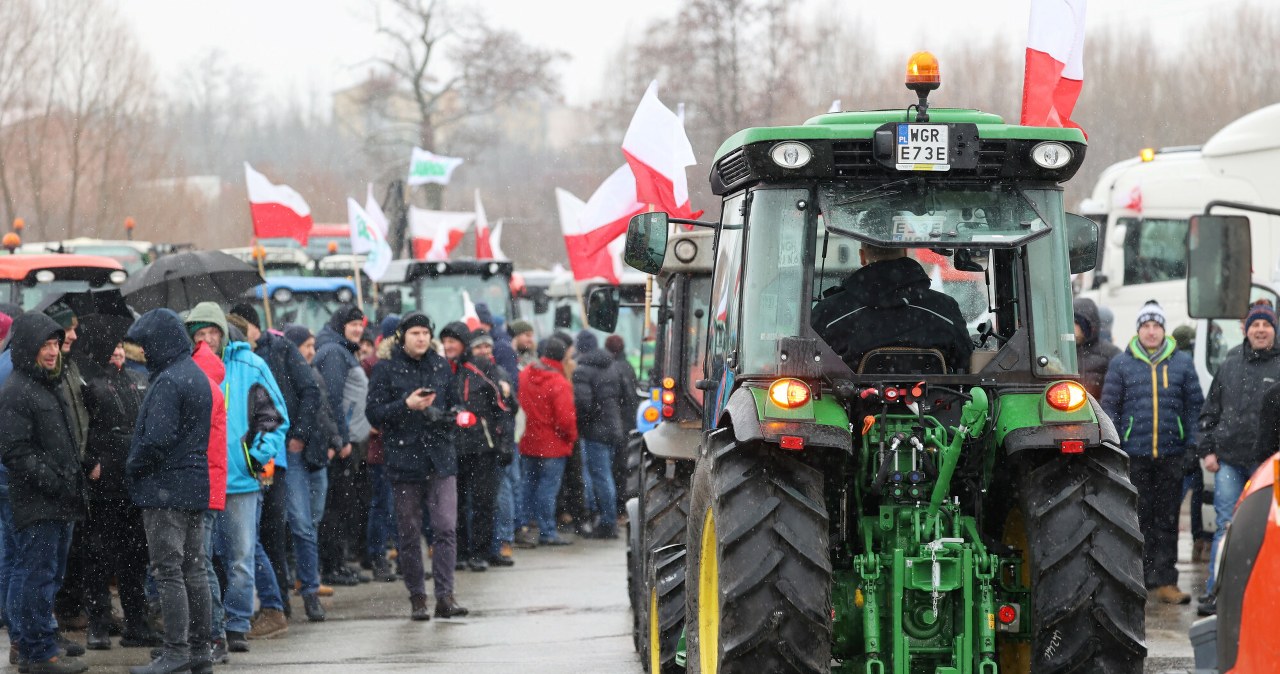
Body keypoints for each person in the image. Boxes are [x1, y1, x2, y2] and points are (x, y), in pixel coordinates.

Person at [185, 303, 289, 653]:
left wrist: (253, 458)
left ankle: (237, 624)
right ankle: (209, 626)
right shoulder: (188, 370)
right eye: (199, 333)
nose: (207, 339)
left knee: (241, 557)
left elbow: (274, 418)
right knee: (203, 558)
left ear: (224, 332)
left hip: (241, 481)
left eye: (212, 331)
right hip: (201, 481)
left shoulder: (251, 365)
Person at [124, 309, 216, 674]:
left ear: (161, 341)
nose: (144, 353)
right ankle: (200, 652)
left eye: (147, 345)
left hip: (166, 489)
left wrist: (132, 466)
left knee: (168, 571)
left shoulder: (168, 382)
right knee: (194, 569)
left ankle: (176, 651)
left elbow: (156, 440)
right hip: (193, 486)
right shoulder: (195, 374)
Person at [0, 313, 90, 674]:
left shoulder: (44, 384)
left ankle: (41, 641)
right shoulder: (18, 390)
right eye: (45, 344)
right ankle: (34, 650)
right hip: (36, 499)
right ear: (27, 347)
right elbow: (16, 450)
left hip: (57, 498)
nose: (53, 351)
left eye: (55, 343)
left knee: (46, 572)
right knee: (33, 572)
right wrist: (54, 480)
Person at [366, 312, 469, 620]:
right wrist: (405, 405)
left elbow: (455, 403)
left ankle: (445, 596)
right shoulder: (385, 369)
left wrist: (449, 414)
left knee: (445, 528)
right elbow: (373, 413)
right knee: (409, 533)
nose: (421, 338)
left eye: (425, 332)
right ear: (402, 337)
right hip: (404, 459)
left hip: (440, 457)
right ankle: (417, 598)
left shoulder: (440, 365)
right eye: (415, 333)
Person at [1101, 300, 1203, 605]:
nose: (1151, 331)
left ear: (1163, 330)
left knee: (1167, 520)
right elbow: (1110, 409)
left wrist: (1192, 446)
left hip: (1172, 455)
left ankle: (1165, 581)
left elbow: (1195, 408)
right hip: (1135, 456)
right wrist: (1116, 447)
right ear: (1138, 330)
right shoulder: (1121, 364)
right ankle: (1138, 581)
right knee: (1137, 520)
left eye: (1156, 326)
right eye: (1146, 326)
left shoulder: (1182, 364)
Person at [228, 303, 323, 627]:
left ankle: (295, 596)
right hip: (246, 463)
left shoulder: (277, 351)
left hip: (275, 458)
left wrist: (298, 434)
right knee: (257, 537)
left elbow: (308, 392)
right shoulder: (227, 363)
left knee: (286, 528)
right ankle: (272, 603)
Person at [1195, 300, 1280, 616]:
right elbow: (1208, 413)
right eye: (1256, 324)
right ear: (1246, 329)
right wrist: (1208, 451)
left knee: (1267, 531)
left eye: (1266, 325)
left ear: (1274, 330)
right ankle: (1217, 593)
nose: (1260, 330)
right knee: (1225, 528)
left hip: (1268, 467)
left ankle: (1264, 596)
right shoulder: (1229, 365)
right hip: (1228, 461)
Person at [75, 336, 159, 651]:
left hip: (133, 484)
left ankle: (136, 622)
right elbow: (77, 429)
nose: (118, 352)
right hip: (102, 487)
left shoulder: (139, 380)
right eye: (111, 347)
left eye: (121, 346)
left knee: (134, 558)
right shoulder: (87, 384)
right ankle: (98, 624)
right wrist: (89, 463)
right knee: (98, 557)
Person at [811, 244, 973, 373]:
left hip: (853, 408)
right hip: (936, 406)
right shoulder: (944, 307)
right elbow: (964, 358)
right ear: (904, 251)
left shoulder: (829, 311)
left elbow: (810, 360)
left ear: (862, 257)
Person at [282, 324, 343, 618]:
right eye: (306, 345)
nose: (311, 351)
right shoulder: (285, 377)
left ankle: (305, 577)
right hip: (295, 456)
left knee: (312, 522)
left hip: (317, 457)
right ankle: (308, 589)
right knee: (301, 524)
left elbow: (326, 411)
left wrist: (334, 440)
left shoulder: (314, 374)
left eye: (312, 345)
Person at [313, 305, 370, 586]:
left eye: (360, 324)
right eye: (352, 324)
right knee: (335, 505)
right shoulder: (334, 352)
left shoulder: (343, 349)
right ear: (339, 324)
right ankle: (331, 566)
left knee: (344, 504)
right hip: (341, 444)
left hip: (350, 440)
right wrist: (342, 438)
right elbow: (332, 398)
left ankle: (338, 562)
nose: (358, 329)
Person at [453, 329, 517, 571]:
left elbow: (510, 411)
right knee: (461, 503)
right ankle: (462, 553)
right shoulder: (460, 373)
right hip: (462, 447)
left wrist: (505, 445)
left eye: (487, 348)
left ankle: (482, 552)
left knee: (485, 502)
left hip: (487, 447)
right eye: (479, 347)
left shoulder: (498, 373)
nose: (484, 352)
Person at [517, 337, 578, 547]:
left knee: (527, 485)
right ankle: (547, 531)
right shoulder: (559, 382)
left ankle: (522, 526)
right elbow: (565, 419)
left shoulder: (524, 375)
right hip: (553, 444)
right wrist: (571, 438)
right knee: (547, 489)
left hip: (527, 440)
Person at [571, 331, 625, 539]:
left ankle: (607, 523)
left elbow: (583, 404)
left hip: (596, 431)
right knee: (607, 475)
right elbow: (621, 397)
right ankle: (607, 518)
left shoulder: (582, 370)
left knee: (600, 477)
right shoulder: (612, 366)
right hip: (613, 427)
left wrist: (584, 423)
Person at [357, 320, 398, 583]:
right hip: (382, 447)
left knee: (396, 507)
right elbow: (366, 402)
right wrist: (370, 423)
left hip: (396, 448)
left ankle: (397, 555)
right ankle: (378, 555)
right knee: (383, 505)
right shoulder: (373, 366)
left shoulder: (382, 364)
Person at [1074, 297, 1120, 401]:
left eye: (1076, 322)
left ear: (1087, 325)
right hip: (1068, 414)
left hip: (1099, 414)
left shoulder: (1111, 353)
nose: (1071, 327)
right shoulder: (1062, 353)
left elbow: (1116, 395)